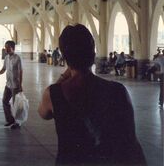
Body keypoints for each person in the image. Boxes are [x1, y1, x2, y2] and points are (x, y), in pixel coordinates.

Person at [38, 24, 145, 165]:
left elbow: (43, 113)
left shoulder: (53, 93)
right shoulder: (117, 91)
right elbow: (131, 143)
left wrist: (65, 75)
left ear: (64, 57)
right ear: (93, 53)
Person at [0, 40, 23, 130]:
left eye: (7, 47)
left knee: (15, 104)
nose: (6, 49)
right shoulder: (6, 58)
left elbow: (20, 71)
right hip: (8, 84)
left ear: (12, 48)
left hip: (15, 85)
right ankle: (10, 120)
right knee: (5, 101)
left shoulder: (17, 58)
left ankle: (17, 123)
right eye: (5, 47)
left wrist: (20, 85)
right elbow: (4, 68)